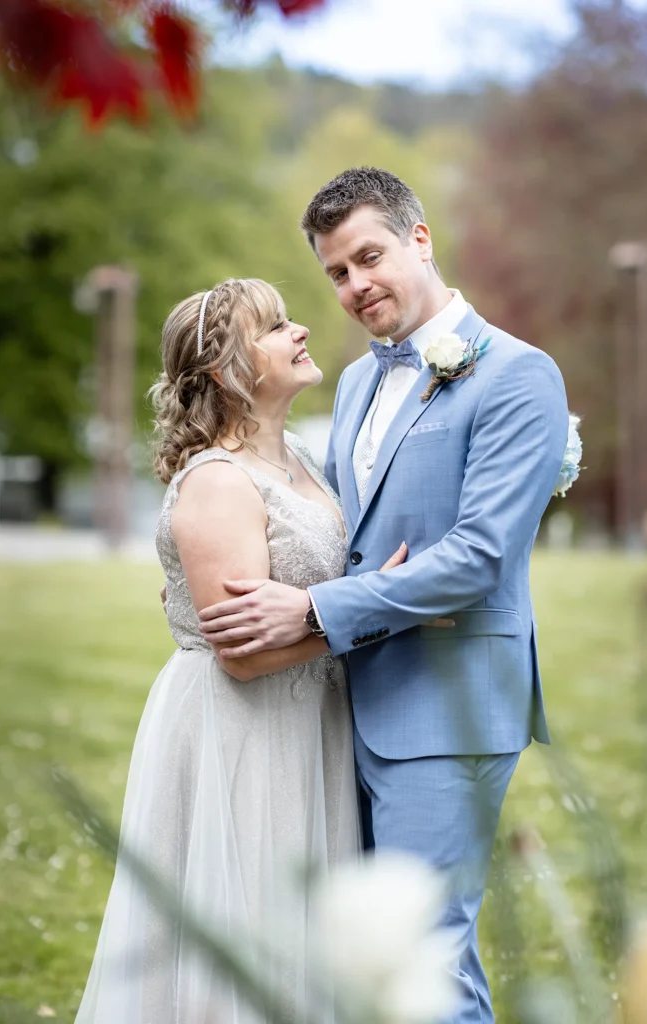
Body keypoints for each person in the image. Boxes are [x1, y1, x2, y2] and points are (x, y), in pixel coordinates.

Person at [198, 167, 570, 1024]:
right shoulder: (358, 382)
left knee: (425, 961)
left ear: (419, 239)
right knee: (365, 965)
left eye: (369, 257)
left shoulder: (517, 375)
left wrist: (316, 610)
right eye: (335, 272)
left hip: (447, 707)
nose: (355, 284)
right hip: (339, 708)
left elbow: (478, 558)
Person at [76, 278, 411, 1024]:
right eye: (276, 327)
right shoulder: (219, 482)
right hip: (244, 728)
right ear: (230, 370)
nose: (299, 332)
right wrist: (375, 613)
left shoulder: (294, 456)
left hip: (305, 723)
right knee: (244, 933)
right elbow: (244, 655)